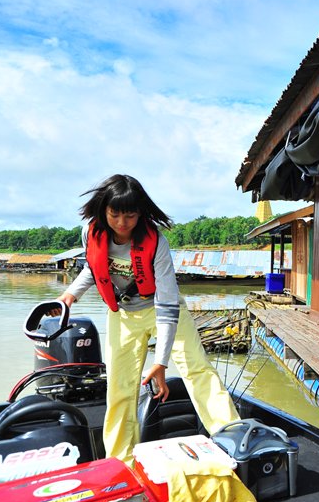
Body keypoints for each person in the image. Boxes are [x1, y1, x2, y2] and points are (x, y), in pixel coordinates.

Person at [52, 174, 240, 466]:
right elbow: (94, 267)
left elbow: (166, 305)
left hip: (161, 309)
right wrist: (69, 295)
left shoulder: (157, 243)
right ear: (103, 210)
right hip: (123, 314)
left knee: (197, 370)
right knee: (119, 387)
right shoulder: (91, 234)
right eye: (115, 214)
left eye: (130, 215)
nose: (122, 223)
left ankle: (234, 439)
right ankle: (120, 462)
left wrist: (161, 363)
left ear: (141, 213)